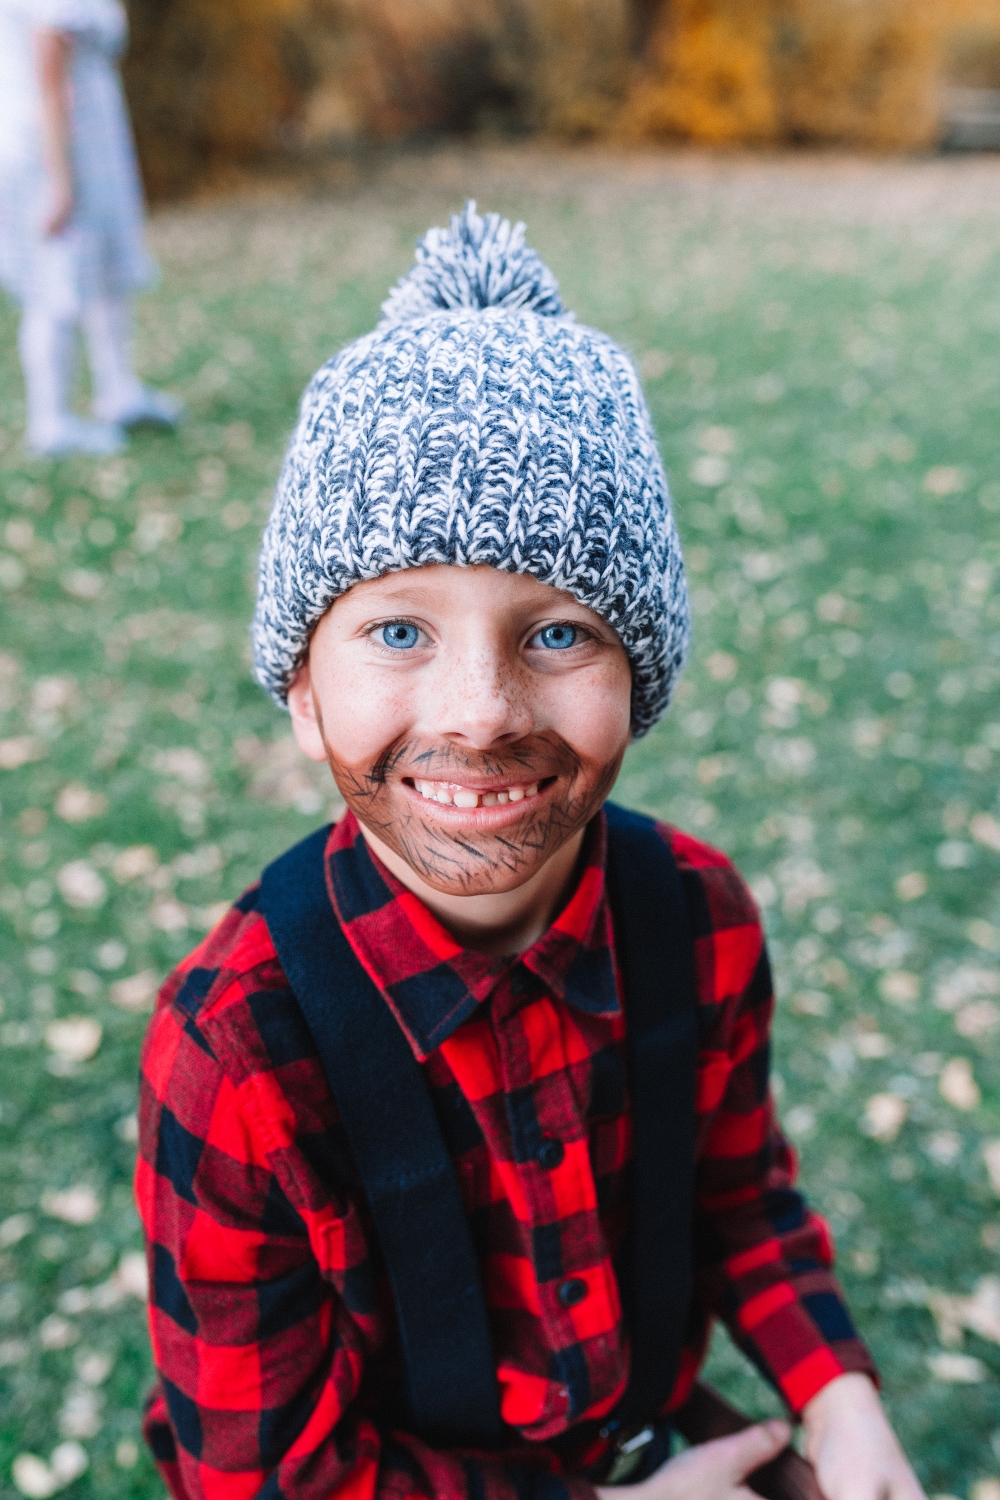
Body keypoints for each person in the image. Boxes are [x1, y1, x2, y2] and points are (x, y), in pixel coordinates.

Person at [136, 204, 925, 1500]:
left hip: (660, 1444)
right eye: (397, 631)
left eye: (557, 633)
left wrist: (836, 1397)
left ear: (643, 672)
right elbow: (267, 1480)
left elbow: (741, 1197)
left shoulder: (697, 917)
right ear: (301, 688)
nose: (480, 712)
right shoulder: (237, 1056)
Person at [0, 0, 182, 456]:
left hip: (92, 139)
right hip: (53, 145)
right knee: (56, 278)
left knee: (106, 271)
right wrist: (60, 179)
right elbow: (49, 78)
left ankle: (118, 391)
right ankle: (51, 420)